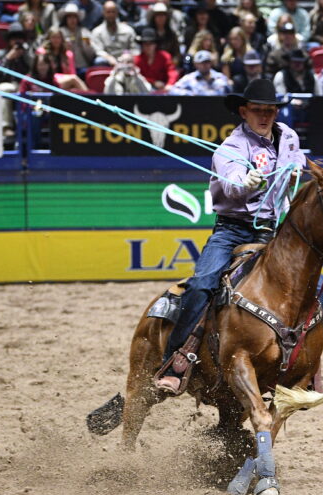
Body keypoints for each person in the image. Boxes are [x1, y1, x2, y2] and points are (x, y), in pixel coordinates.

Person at [154, 79, 308, 395]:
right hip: (232, 230)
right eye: (257, 110)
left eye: (270, 110)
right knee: (202, 284)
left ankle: (304, 362)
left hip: (271, 231)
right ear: (243, 111)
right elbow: (232, 184)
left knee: (314, 283)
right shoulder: (231, 148)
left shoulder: (288, 137)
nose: (264, 116)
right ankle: (174, 361)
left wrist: (297, 169)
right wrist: (247, 182)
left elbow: (299, 159)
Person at [92, 0, 138, 66]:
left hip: (126, 60)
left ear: (117, 13)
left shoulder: (128, 30)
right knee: (99, 61)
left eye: (113, 12)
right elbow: (98, 51)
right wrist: (109, 58)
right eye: (108, 12)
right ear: (103, 13)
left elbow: (135, 49)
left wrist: (129, 55)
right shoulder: (97, 32)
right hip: (107, 60)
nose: (111, 14)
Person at [59, 3, 97, 75]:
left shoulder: (84, 32)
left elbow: (91, 54)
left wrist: (87, 45)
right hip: (65, 67)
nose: (72, 20)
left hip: (82, 66)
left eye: (74, 17)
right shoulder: (60, 32)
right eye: (69, 17)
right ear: (65, 19)